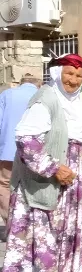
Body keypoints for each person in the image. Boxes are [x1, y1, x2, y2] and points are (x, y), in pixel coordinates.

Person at [0, 55, 82, 272]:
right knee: (48, 231)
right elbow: (27, 141)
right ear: (57, 74)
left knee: (67, 229)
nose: (73, 80)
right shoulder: (46, 100)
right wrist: (53, 168)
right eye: (69, 74)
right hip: (50, 178)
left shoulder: (74, 101)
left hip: (72, 179)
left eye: (79, 76)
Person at [0, 73, 42, 226]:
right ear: (38, 84)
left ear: (20, 82)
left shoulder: (7, 95)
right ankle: (32, 222)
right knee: (33, 185)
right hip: (36, 151)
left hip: (9, 150)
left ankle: (11, 221)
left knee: (5, 184)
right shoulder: (41, 95)